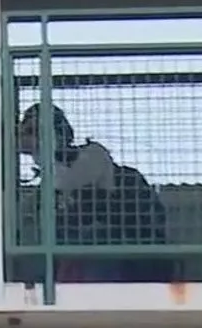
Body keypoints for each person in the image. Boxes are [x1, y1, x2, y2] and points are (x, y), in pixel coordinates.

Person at [16, 103, 172, 282]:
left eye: (38, 131)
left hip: (124, 259)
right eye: (30, 132)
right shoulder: (43, 194)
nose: (34, 138)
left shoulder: (102, 164)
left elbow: (148, 224)